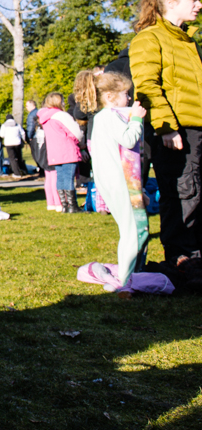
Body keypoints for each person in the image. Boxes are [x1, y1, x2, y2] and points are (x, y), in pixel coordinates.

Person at [130, 0, 202, 264]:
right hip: (173, 130)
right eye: (194, 0)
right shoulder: (149, 38)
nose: (199, 5)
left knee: (197, 194)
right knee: (184, 193)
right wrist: (166, 127)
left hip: (196, 128)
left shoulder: (188, 41)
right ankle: (184, 259)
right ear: (171, 3)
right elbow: (146, 87)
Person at [80, 71, 149, 287]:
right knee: (134, 231)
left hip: (115, 180)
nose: (129, 98)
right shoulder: (109, 116)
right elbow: (128, 139)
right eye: (125, 94)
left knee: (136, 228)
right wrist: (137, 118)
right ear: (110, 96)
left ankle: (132, 275)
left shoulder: (102, 118)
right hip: (120, 181)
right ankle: (126, 281)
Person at [38, 92, 82, 213]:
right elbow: (75, 132)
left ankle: (64, 205)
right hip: (67, 150)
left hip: (54, 152)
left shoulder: (45, 118)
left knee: (60, 178)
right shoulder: (61, 115)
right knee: (68, 178)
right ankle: (72, 205)